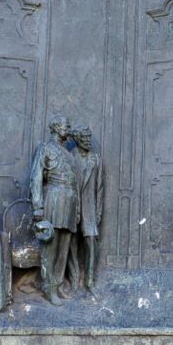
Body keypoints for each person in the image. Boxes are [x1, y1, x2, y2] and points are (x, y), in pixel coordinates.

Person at [29, 116, 79, 306]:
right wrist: (37, 206)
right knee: (51, 245)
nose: (69, 128)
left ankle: (57, 284)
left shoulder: (68, 153)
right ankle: (48, 287)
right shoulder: (45, 148)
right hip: (53, 198)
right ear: (57, 128)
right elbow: (36, 178)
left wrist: (78, 209)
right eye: (66, 125)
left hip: (69, 200)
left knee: (64, 246)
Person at [71, 124, 104, 294]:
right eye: (84, 138)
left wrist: (98, 211)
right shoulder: (70, 157)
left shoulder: (95, 159)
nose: (88, 141)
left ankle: (89, 280)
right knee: (71, 244)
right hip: (73, 206)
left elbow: (99, 187)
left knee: (91, 242)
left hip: (90, 207)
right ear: (77, 140)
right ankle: (74, 278)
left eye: (89, 138)